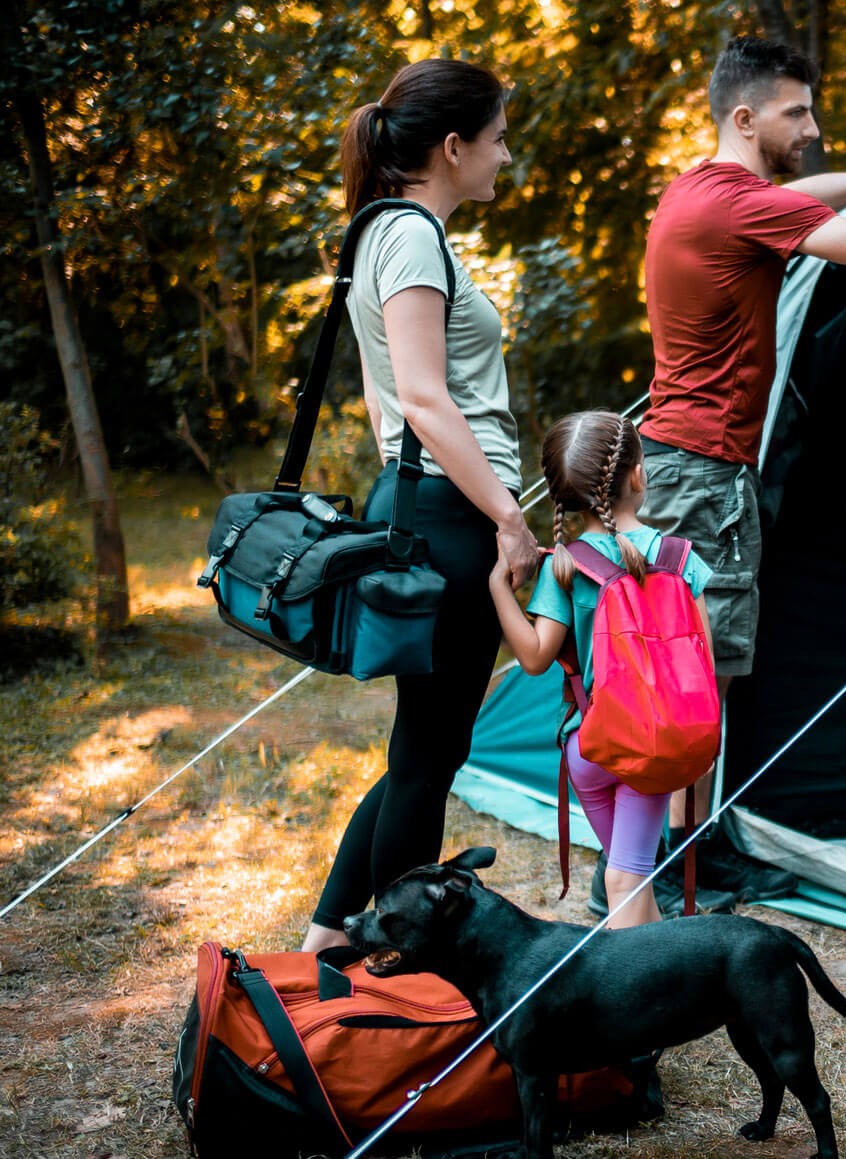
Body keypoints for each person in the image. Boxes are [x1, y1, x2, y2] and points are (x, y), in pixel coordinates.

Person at [620, 34, 846, 917]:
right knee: (698, 679)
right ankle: (676, 868)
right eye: (798, 112)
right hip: (704, 476)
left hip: (682, 466)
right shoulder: (734, 206)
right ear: (746, 118)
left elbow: (798, 198)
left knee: (697, 673)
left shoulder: (701, 190)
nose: (814, 128)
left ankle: (691, 849)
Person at [304, 59, 541, 953]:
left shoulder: (384, 229)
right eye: (498, 138)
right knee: (427, 760)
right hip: (449, 514)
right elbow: (423, 398)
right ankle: (389, 956)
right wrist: (508, 517)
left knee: (424, 751)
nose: (504, 156)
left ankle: (332, 936)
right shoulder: (408, 236)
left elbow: (384, 394)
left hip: (428, 503)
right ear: (452, 146)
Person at [485, 411, 715, 929]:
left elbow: (535, 658)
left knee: (632, 878)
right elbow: (702, 668)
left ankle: (661, 969)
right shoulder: (678, 559)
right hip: (650, 746)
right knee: (626, 881)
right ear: (638, 475)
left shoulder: (565, 565)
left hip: (586, 746)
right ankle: (638, 983)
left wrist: (500, 588)